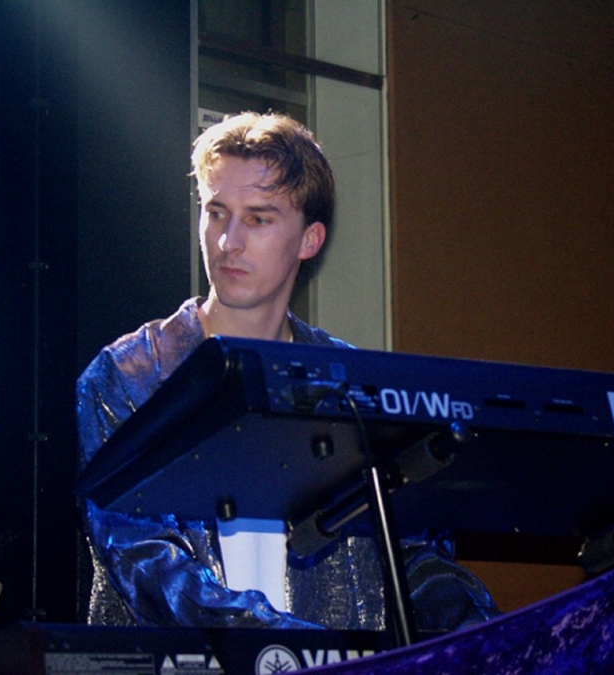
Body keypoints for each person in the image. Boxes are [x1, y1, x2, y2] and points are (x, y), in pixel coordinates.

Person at [76, 112, 499, 632]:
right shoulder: (129, 376)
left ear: (309, 240)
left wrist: (487, 632)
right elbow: (143, 558)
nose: (228, 241)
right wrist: (276, 643)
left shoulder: (350, 385)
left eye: (258, 219)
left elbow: (414, 552)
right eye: (216, 213)